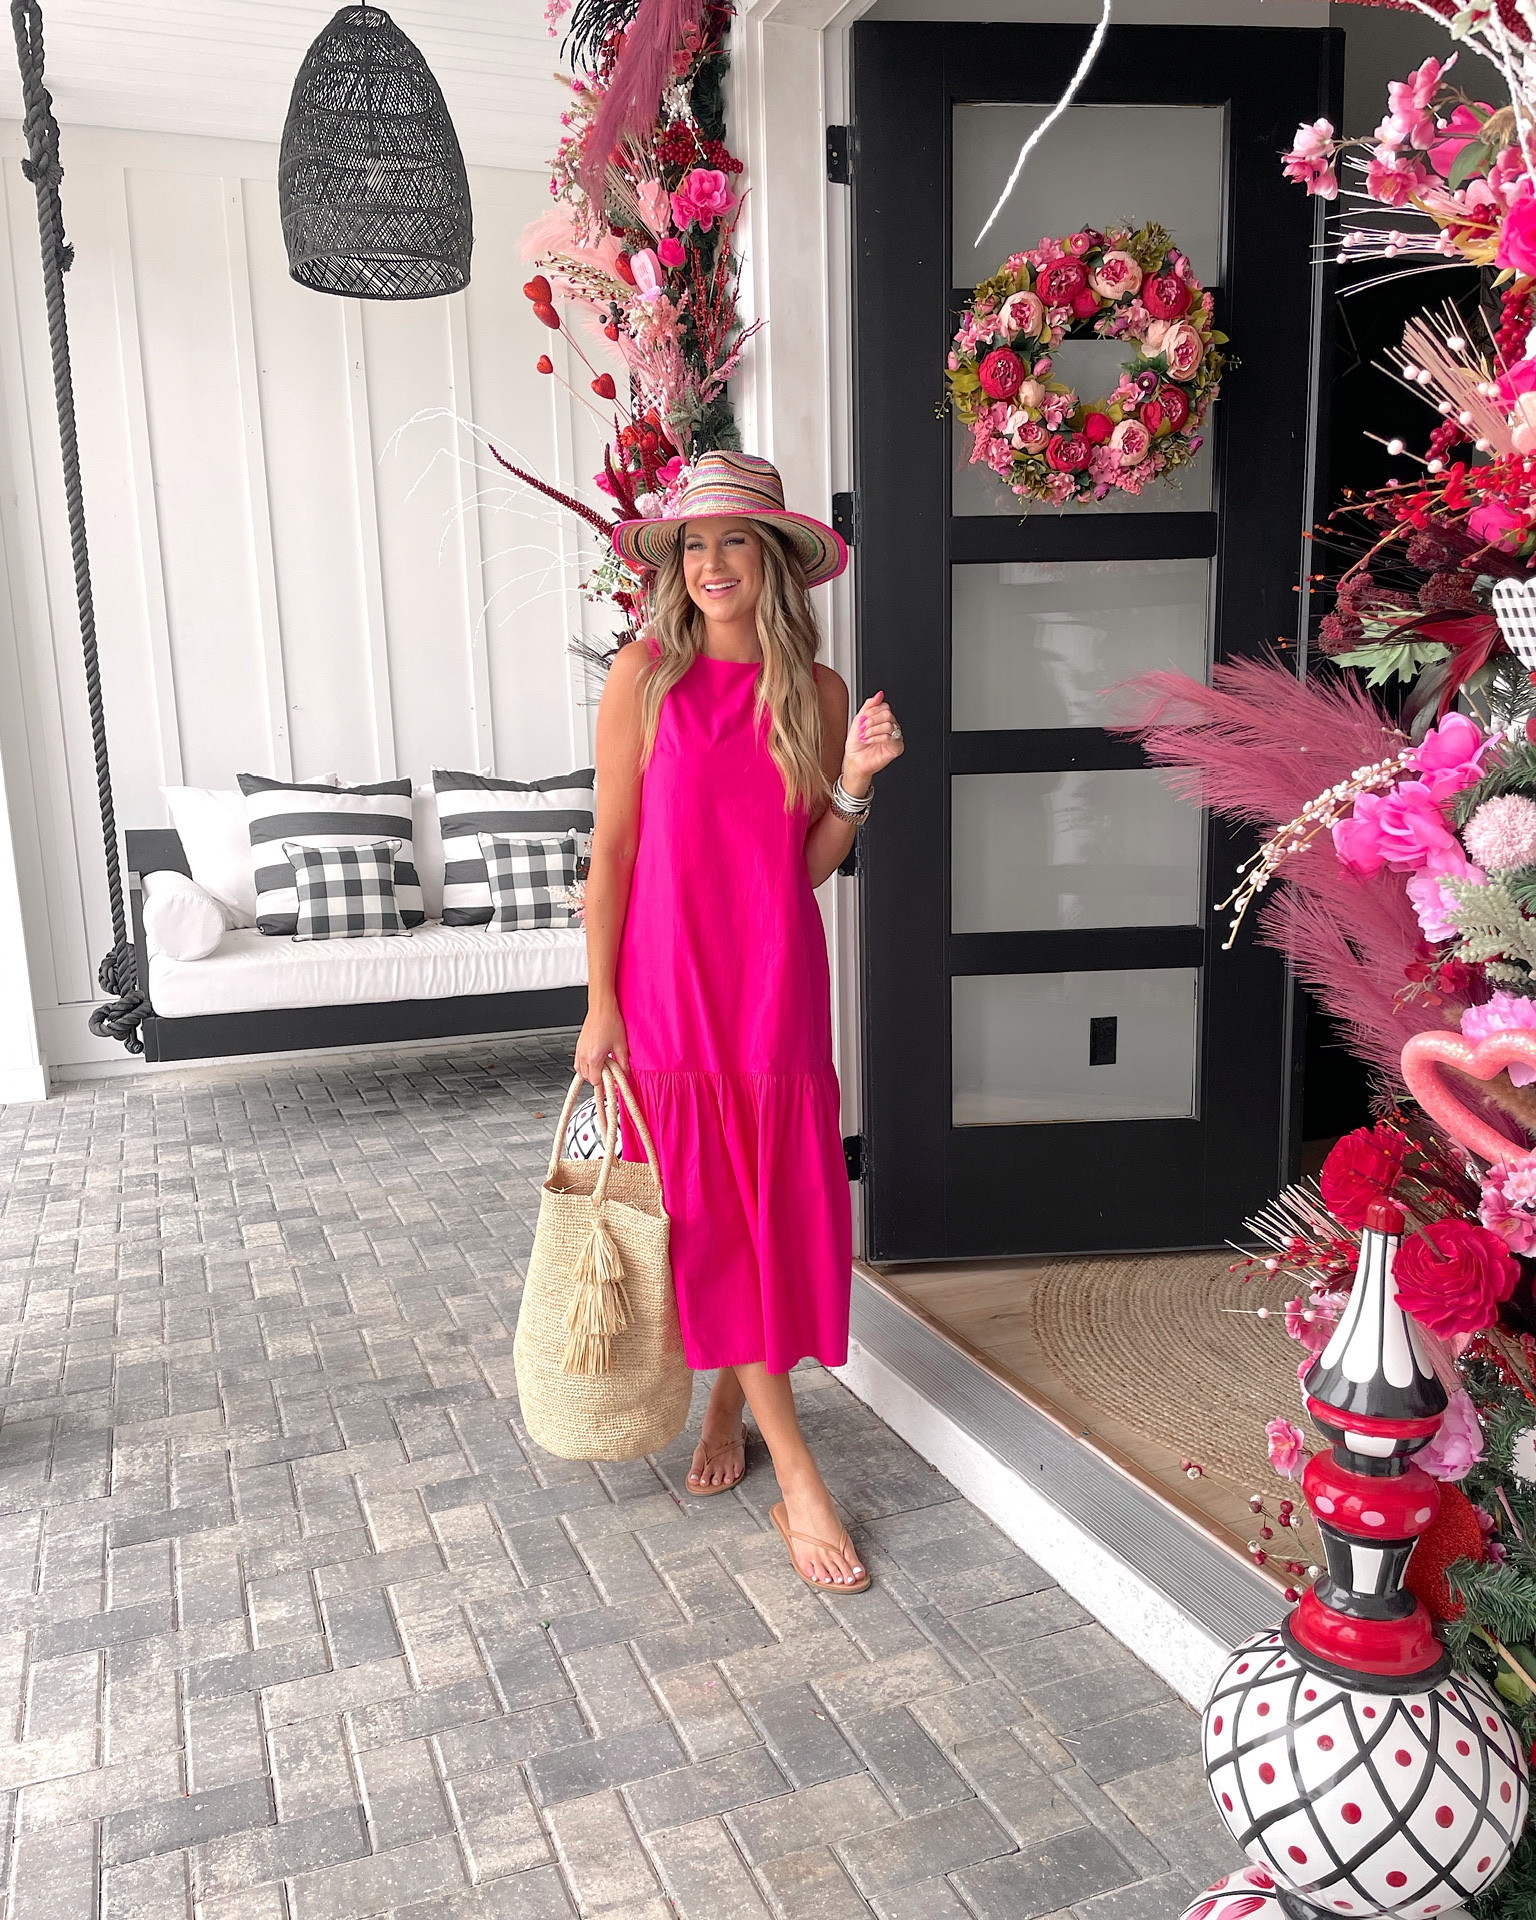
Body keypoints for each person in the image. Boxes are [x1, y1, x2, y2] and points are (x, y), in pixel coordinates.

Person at [574, 451, 903, 1593]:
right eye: (694, 544)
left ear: (773, 561)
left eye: (735, 543)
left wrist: (856, 781)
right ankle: (799, 1476)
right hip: (667, 981)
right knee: (710, 1212)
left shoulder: (811, 691)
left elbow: (802, 863)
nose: (712, 564)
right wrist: (599, 1003)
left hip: (772, 973)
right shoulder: (645, 676)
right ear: (674, 562)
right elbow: (611, 849)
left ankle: (729, 1396)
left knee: (763, 1203)